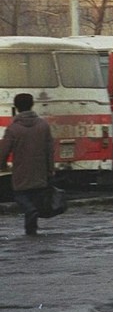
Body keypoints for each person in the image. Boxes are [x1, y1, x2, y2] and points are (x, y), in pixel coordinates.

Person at [0, 92, 57, 236]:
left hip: (21, 169)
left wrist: (2, 164)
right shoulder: (43, 125)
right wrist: (50, 168)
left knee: (21, 196)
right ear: (32, 105)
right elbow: (50, 149)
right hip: (40, 169)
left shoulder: (13, 129)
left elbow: (4, 150)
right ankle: (31, 230)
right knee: (35, 196)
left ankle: (30, 218)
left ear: (16, 107)